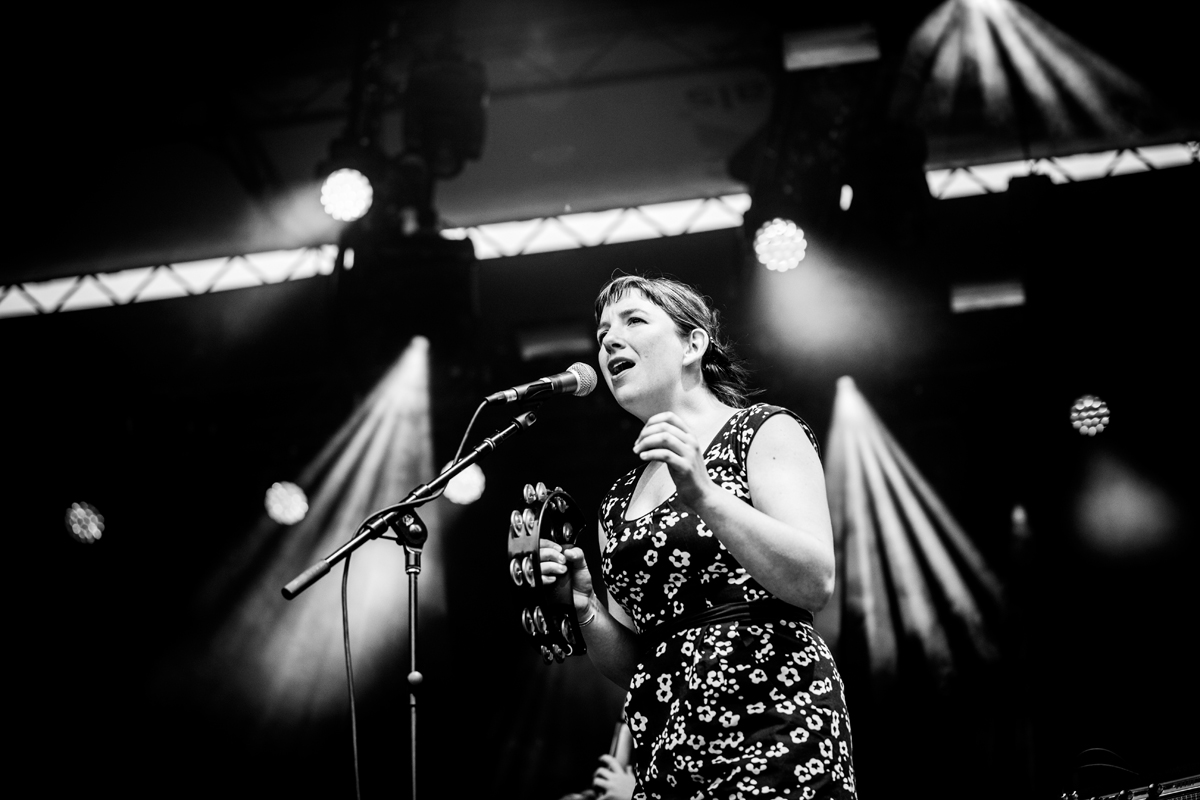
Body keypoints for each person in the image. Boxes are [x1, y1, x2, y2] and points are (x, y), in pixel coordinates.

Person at [541, 275, 856, 799]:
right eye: (601, 335)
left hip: (773, 718)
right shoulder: (617, 500)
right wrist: (584, 605)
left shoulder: (763, 431)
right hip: (668, 740)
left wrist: (704, 494)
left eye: (634, 321)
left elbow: (814, 581)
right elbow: (632, 663)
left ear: (693, 344)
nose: (609, 342)